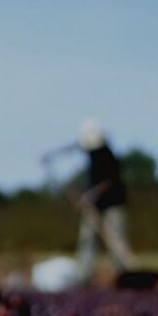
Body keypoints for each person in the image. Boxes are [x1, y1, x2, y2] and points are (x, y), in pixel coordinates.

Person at [46, 120, 134, 284]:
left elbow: (109, 181)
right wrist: (52, 154)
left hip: (113, 203)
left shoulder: (108, 156)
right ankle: (83, 276)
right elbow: (73, 146)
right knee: (88, 239)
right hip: (94, 206)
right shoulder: (90, 150)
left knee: (117, 239)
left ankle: (126, 273)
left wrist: (90, 196)